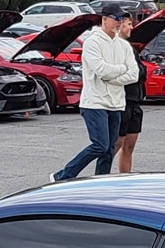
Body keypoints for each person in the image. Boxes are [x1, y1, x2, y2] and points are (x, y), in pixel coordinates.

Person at [52, 11, 138, 181]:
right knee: (100, 145)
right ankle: (63, 175)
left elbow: (134, 74)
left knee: (109, 149)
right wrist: (122, 69)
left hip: (116, 103)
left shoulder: (124, 45)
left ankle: (101, 182)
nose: (119, 22)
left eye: (121, 19)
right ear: (104, 19)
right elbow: (101, 70)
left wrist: (113, 77)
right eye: (116, 18)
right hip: (94, 102)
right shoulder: (92, 42)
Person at [114, 16, 148, 172]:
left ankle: (125, 178)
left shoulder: (130, 47)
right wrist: (137, 71)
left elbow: (141, 71)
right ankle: (101, 175)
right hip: (123, 102)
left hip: (135, 102)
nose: (131, 28)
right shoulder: (115, 47)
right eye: (129, 24)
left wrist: (138, 71)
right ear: (120, 25)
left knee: (129, 146)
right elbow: (134, 71)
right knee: (116, 144)